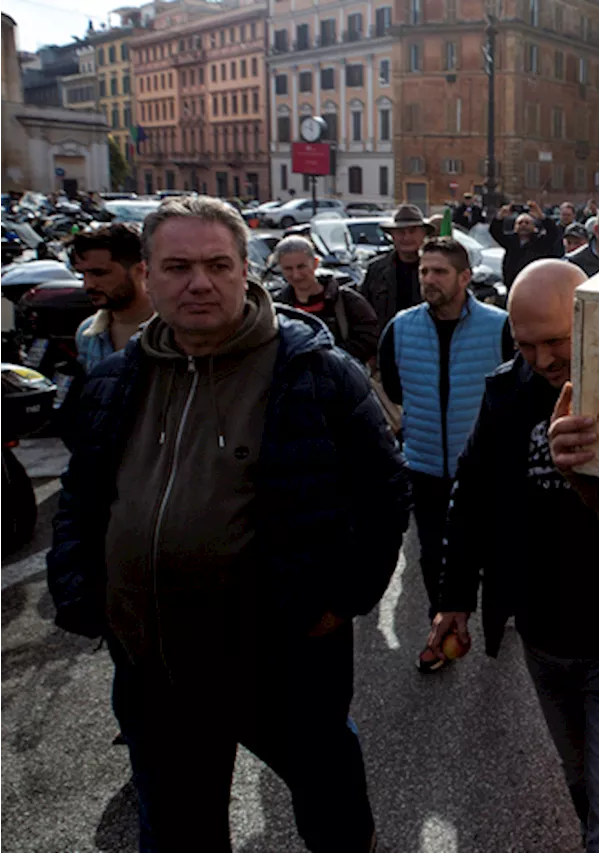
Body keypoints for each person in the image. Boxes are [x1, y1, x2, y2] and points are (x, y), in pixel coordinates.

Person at [47, 195, 411, 852]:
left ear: (247, 269)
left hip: (284, 662)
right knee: (179, 829)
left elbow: (384, 494)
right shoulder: (115, 381)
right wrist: (82, 592)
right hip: (153, 666)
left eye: (218, 264)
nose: (199, 282)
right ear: (148, 277)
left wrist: (339, 601)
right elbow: (81, 496)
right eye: (178, 266)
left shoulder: (314, 373)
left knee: (334, 817)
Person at [430, 259, 599, 851]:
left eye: (556, 341)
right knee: (582, 784)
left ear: (591, 319)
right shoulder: (506, 394)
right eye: (525, 344)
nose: (541, 361)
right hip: (543, 639)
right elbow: (471, 496)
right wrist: (454, 598)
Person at [378, 236, 514, 672]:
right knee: (434, 554)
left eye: (439, 272)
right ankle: (443, 632)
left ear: (465, 277)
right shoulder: (400, 328)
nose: (429, 280)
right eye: (423, 271)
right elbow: (396, 391)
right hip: (424, 465)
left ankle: (498, 615)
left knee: (494, 549)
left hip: (485, 469)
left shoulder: (500, 326)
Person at [271, 235, 379, 364]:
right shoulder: (277, 308)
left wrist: (328, 359)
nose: (296, 275)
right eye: (288, 269)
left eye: (301, 267)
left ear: (315, 263)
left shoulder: (347, 301)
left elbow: (369, 339)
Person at [69, 223, 154, 375]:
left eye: (99, 273)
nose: (88, 285)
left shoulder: (173, 331)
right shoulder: (88, 334)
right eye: (83, 275)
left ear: (140, 270)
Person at [361, 204, 434, 336]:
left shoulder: (436, 269)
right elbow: (363, 315)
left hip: (426, 343)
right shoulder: (376, 270)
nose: (406, 237)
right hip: (387, 344)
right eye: (401, 232)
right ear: (392, 235)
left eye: (412, 231)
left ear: (423, 234)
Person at [489, 201, 564, 286]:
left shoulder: (540, 242)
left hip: (534, 283)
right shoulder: (510, 241)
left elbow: (553, 233)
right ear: (515, 227)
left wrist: (541, 217)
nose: (523, 225)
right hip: (513, 283)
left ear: (534, 227)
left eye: (527, 223)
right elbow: (495, 232)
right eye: (520, 223)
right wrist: (500, 217)